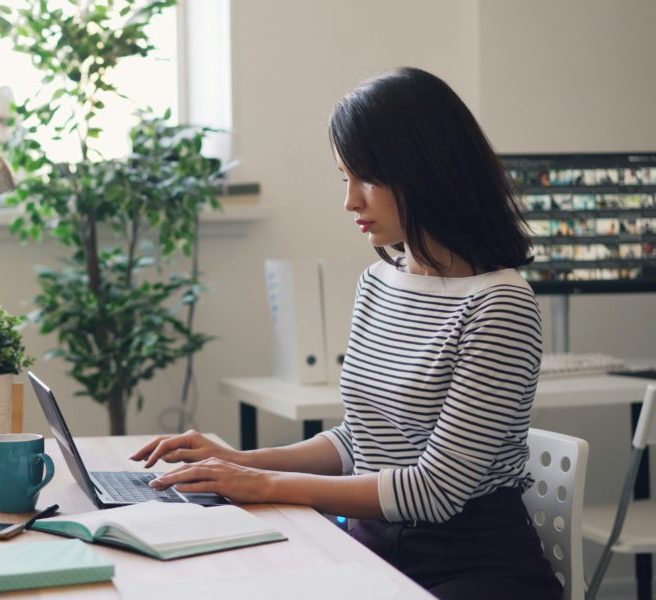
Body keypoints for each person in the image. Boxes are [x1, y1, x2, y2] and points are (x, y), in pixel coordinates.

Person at [131, 67, 561, 600]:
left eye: (368, 179)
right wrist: (238, 462)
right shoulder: (379, 282)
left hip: (469, 568)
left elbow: (435, 490)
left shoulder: (500, 304)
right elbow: (361, 440)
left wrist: (262, 486)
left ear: (428, 172)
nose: (351, 201)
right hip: (371, 549)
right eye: (345, 178)